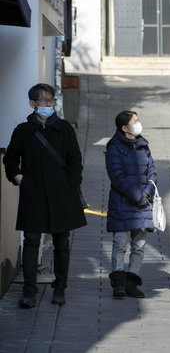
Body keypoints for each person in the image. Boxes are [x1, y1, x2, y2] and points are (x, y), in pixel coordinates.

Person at [3, 83, 87, 308]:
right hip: (34, 195)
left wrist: (71, 185)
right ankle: (29, 291)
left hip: (62, 196)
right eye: (45, 101)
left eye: (51, 100)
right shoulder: (23, 130)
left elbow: (75, 161)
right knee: (31, 241)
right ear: (33, 104)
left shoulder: (65, 129)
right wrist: (19, 178)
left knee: (62, 243)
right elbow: (10, 158)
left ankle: (59, 288)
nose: (49, 105)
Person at [105, 111, 157, 299]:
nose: (139, 124)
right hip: (122, 204)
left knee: (139, 246)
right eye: (135, 122)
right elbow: (116, 177)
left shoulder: (143, 145)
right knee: (120, 244)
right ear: (124, 128)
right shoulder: (114, 148)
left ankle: (131, 282)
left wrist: (147, 192)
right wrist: (137, 195)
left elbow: (152, 171)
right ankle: (118, 283)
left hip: (143, 205)